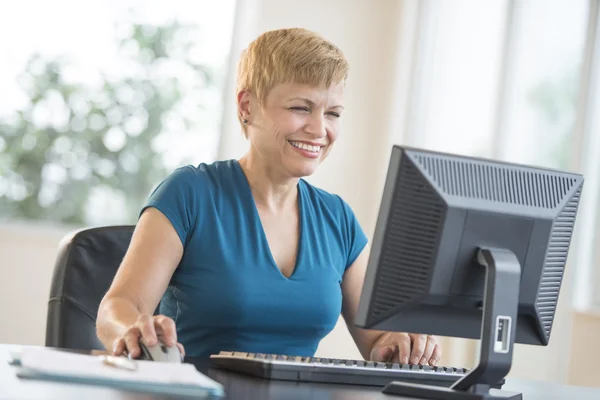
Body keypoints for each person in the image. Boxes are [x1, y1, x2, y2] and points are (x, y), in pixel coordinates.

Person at [96, 27, 442, 366]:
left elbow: (378, 340)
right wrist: (132, 329)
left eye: (333, 113)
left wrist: (398, 344)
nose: (320, 129)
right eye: (300, 108)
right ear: (247, 106)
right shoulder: (190, 193)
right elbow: (119, 306)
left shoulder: (338, 219)